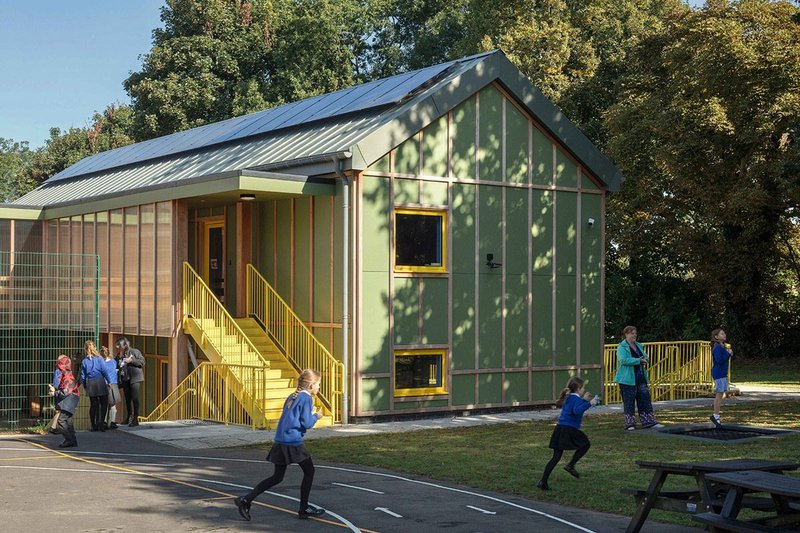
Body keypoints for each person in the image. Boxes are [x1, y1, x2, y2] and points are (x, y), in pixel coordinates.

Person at [234, 369, 326, 521]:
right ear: (310, 385)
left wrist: (309, 414)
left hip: (281, 440)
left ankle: (246, 500)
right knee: (309, 471)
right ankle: (303, 508)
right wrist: (317, 415)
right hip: (293, 442)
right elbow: (307, 423)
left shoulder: (293, 396)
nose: (319, 388)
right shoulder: (306, 398)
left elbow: (291, 417)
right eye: (318, 385)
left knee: (277, 477)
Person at [537, 376, 598, 491]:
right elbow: (576, 410)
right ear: (579, 388)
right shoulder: (575, 399)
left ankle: (543, 481)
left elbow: (575, 407)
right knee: (585, 444)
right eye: (583, 388)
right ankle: (570, 465)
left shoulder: (569, 397)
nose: (584, 390)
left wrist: (585, 400)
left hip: (560, 428)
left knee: (556, 457)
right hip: (569, 429)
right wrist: (590, 403)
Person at [615, 326, 664, 431]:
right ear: (626, 334)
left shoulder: (639, 345)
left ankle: (649, 421)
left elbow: (645, 356)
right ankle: (630, 424)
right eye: (632, 333)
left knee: (645, 400)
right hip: (627, 380)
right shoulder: (621, 347)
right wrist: (638, 360)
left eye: (635, 333)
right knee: (629, 402)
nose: (634, 335)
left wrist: (645, 360)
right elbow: (623, 360)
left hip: (641, 377)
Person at [79, 340, 113, 432]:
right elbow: (104, 370)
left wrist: (86, 386)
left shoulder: (84, 361)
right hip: (100, 381)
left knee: (93, 405)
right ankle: (101, 423)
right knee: (104, 402)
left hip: (91, 382)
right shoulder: (99, 358)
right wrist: (109, 381)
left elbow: (82, 375)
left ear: (85, 349)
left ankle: (93, 425)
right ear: (94, 347)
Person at [48, 354, 80, 448]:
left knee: (61, 420)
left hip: (70, 398)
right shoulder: (66, 374)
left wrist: (55, 393)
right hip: (71, 398)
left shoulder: (67, 376)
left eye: (59, 365)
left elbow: (65, 392)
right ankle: (72, 440)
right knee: (68, 420)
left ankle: (68, 440)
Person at [116, 337, 145, 427]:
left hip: (135, 378)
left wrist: (132, 360)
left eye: (119, 346)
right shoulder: (120, 355)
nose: (118, 348)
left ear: (125, 345)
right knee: (127, 399)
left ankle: (135, 418)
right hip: (125, 378)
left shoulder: (135, 351)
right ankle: (128, 417)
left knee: (135, 398)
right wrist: (119, 358)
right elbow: (117, 365)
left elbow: (142, 362)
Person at [710, 328, 733, 428]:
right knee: (719, 395)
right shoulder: (717, 347)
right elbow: (719, 360)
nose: (724, 335)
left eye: (724, 333)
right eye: (722, 334)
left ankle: (716, 416)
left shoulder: (722, 346)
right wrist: (728, 354)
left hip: (722, 373)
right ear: (716, 337)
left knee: (721, 394)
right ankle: (715, 416)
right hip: (718, 373)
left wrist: (728, 353)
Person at [102, 346, 121, 430]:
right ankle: (113, 421)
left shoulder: (101, 363)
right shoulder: (113, 362)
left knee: (105, 404)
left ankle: (105, 421)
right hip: (114, 384)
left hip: (104, 384)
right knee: (113, 405)